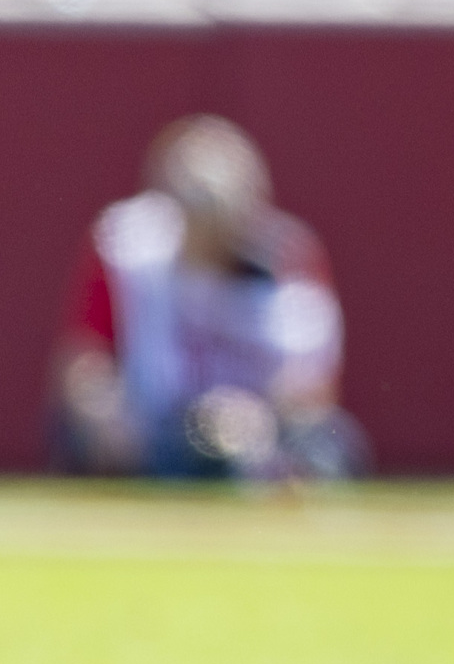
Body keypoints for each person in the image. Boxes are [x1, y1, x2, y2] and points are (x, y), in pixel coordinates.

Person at [49, 116, 363, 480]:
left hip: (259, 431)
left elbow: (310, 388)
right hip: (156, 428)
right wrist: (107, 413)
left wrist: (255, 421)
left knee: (333, 445)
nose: (207, 222)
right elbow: (85, 361)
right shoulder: (127, 252)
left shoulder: (288, 263)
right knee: (86, 436)